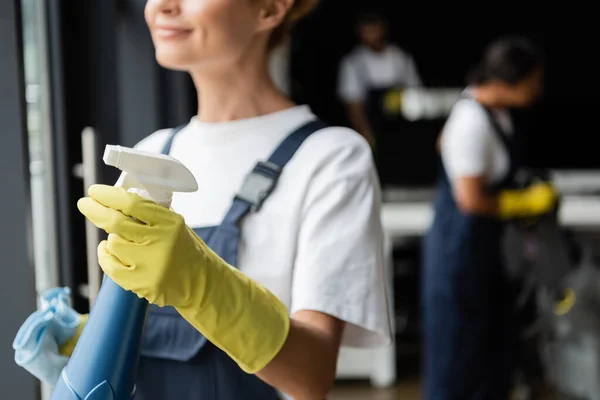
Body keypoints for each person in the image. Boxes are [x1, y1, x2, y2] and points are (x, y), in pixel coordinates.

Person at [16, 1, 392, 399]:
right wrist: (88, 338)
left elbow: (311, 374)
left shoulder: (331, 158)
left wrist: (200, 283)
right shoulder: (154, 151)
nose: (161, 6)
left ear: (270, 9)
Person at [422, 36, 555, 400]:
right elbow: (471, 199)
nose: (538, 89)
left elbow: (441, 144)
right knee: (458, 359)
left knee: (492, 357)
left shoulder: (492, 110)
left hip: (486, 255)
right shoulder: (471, 122)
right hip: (459, 256)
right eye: (534, 81)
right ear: (510, 80)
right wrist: (523, 204)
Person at [337, 12, 422, 146]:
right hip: (371, 127)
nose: (370, 37)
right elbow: (353, 104)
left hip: (402, 129)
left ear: (383, 29)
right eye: (366, 32)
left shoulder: (401, 57)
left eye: (374, 30)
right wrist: (365, 135)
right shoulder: (353, 62)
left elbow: (415, 92)